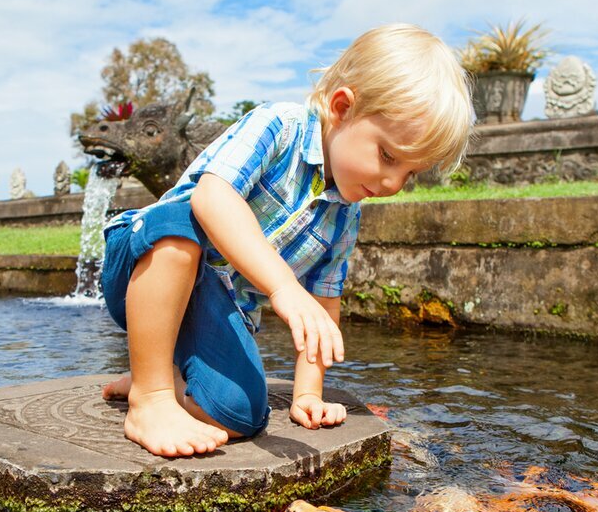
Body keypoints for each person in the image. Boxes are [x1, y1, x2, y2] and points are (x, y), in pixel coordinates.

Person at [100, 23, 474, 457]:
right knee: (183, 222)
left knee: (240, 415)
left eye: (410, 173)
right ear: (342, 108)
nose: (393, 183)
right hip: (143, 262)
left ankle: (158, 371)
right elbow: (212, 196)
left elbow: (322, 306)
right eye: (387, 155)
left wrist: (308, 394)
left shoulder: (344, 215)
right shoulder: (278, 127)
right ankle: (150, 398)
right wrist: (282, 286)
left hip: (206, 307)